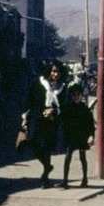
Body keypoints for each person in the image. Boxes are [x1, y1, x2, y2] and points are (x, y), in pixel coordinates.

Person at [21, 60, 67, 188]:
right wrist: (25, 116)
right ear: (49, 71)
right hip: (37, 119)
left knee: (47, 148)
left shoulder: (63, 87)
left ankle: (45, 178)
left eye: (57, 71)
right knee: (33, 145)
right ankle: (48, 166)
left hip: (52, 121)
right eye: (53, 71)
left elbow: (64, 104)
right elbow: (29, 99)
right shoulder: (38, 83)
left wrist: (54, 110)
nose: (55, 74)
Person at [61, 83, 95, 188]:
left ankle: (85, 179)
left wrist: (91, 136)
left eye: (78, 95)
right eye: (74, 95)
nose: (76, 97)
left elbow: (90, 124)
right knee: (68, 157)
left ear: (81, 95)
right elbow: (63, 122)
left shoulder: (85, 109)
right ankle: (65, 180)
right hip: (71, 136)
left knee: (82, 157)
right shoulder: (67, 108)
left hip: (82, 136)